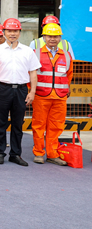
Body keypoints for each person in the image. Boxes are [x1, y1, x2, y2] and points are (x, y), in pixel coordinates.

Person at [0, 17, 41, 167]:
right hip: (2, 89)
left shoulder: (27, 51)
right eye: (9, 31)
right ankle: (0, 153)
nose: (12, 34)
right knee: (0, 122)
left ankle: (15, 154)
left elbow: (33, 72)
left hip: (21, 90)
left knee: (18, 123)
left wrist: (32, 92)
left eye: (15, 31)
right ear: (4, 32)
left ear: (20, 32)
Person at [31, 22, 71, 166]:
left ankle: (52, 154)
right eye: (49, 36)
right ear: (44, 37)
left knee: (56, 126)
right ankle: (38, 153)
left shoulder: (66, 55)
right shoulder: (35, 53)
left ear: (60, 38)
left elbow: (69, 75)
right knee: (39, 125)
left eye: (55, 36)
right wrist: (32, 91)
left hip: (59, 97)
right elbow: (31, 74)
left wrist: (65, 90)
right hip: (41, 96)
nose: (52, 39)